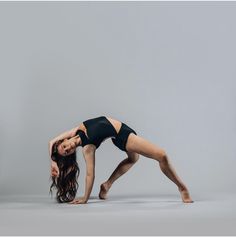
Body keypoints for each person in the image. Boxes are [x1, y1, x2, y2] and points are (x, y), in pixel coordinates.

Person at [49, 115, 194, 204]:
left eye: (64, 146)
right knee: (161, 155)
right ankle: (182, 187)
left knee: (133, 159)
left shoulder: (75, 130)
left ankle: (107, 185)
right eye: (67, 152)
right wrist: (85, 198)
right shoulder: (87, 147)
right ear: (72, 153)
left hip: (123, 129)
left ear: (64, 140)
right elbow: (89, 174)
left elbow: (51, 142)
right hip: (122, 136)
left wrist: (53, 161)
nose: (68, 148)